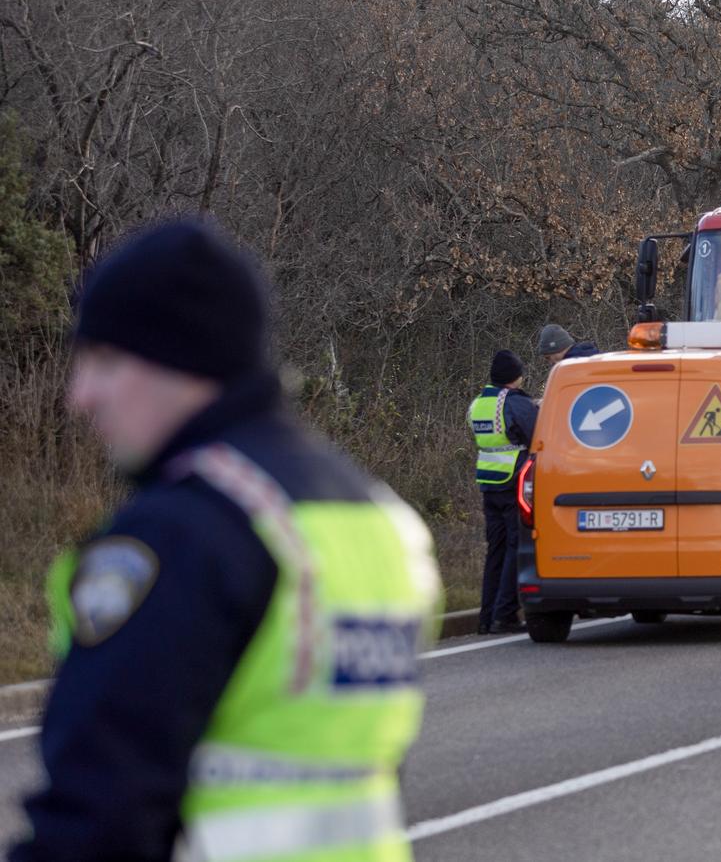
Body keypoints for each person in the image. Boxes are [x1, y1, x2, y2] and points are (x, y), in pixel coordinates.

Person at [10, 218, 442, 862]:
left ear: (177, 360)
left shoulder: (186, 531)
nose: (80, 396)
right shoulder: (379, 517)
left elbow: (99, 816)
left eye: (103, 360)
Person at [470, 350, 537, 634]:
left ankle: (486, 618)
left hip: (488, 483)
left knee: (494, 551)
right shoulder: (515, 402)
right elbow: (537, 434)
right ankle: (505, 614)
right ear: (515, 376)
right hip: (513, 483)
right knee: (514, 547)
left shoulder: (479, 404)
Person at [536, 323, 600, 365]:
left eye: (548, 357)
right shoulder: (596, 356)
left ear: (558, 349)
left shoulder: (569, 368)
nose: (550, 362)